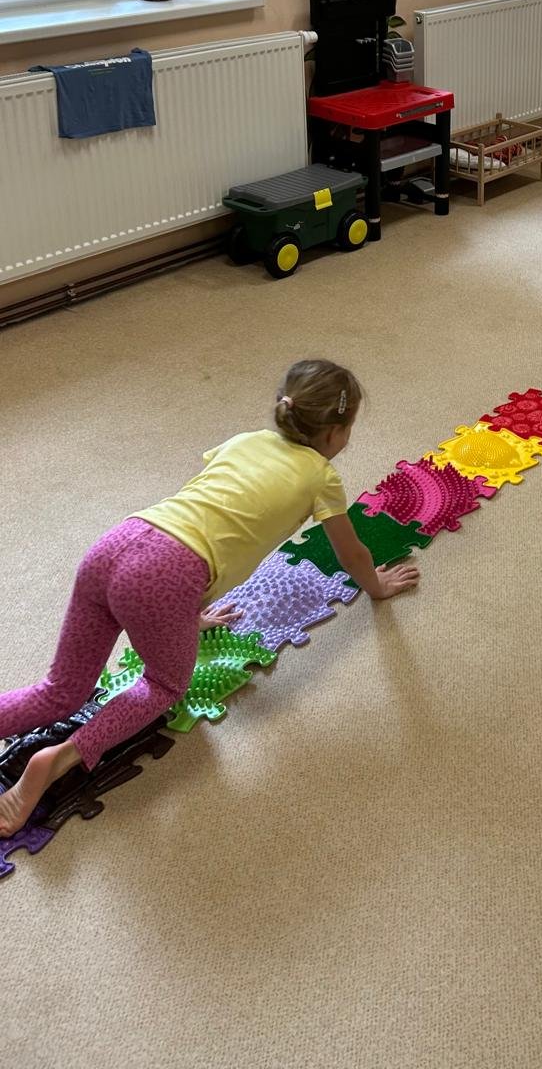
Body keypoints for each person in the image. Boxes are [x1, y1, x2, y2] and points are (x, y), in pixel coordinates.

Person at [0, 359, 416, 837]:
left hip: (117, 543)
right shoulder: (321, 476)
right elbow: (350, 553)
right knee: (164, 686)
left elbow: (214, 516)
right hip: (163, 580)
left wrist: (184, 617)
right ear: (334, 433)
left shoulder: (246, 440)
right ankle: (56, 760)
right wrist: (377, 586)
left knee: (60, 689)